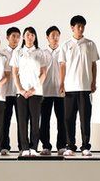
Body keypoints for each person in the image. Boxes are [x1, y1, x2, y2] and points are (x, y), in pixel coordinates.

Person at [59, 14, 99, 157]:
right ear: (72, 28)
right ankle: (70, 145)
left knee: (85, 118)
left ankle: (85, 146)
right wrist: (61, 83)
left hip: (85, 88)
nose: (81, 29)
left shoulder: (90, 44)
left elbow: (94, 65)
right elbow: (62, 66)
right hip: (69, 88)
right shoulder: (65, 45)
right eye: (78, 26)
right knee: (69, 119)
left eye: (82, 26)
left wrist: (93, 82)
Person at [12, 27, 50, 157]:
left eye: (32, 34)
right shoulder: (18, 52)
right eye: (27, 34)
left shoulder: (40, 52)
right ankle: (24, 147)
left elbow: (44, 73)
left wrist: (34, 88)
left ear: (35, 37)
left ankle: (33, 147)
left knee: (35, 121)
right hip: (21, 93)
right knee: (22, 121)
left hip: (36, 93)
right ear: (23, 37)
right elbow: (14, 73)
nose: (30, 37)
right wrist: (21, 90)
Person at [39, 26, 65, 155]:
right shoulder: (42, 53)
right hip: (45, 91)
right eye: (52, 35)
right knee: (44, 120)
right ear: (47, 37)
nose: (55, 38)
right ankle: (46, 146)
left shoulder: (63, 51)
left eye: (57, 35)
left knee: (62, 120)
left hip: (61, 92)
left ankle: (62, 145)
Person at [1, 26, 22, 152]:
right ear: (7, 37)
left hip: (19, 92)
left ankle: (22, 147)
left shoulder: (22, 52)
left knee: (22, 121)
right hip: (5, 92)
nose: (16, 39)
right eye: (13, 36)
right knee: (4, 121)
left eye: (18, 37)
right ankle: (4, 146)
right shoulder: (2, 53)